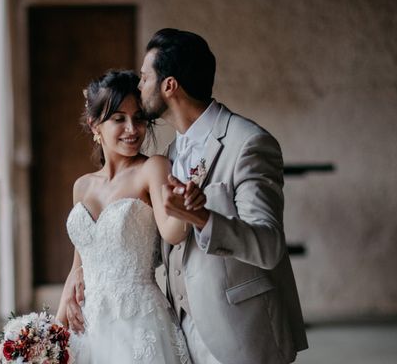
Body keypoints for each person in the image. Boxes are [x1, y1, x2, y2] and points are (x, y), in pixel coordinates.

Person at [66, 29, 309, 364]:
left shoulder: (247, 143)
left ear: (169, 86)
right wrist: (82, 271)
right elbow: (141, 246)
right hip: (175, 330)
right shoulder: (171, 152)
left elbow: (269, 246)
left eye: (145, 77)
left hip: (239, 331)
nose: (139, 86)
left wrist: (202, 217)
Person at [56, 70, 200, 363]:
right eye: (119, 118)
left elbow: (172, 231)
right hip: (89, 327)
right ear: (95, 125)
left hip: (138, 325)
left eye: (139, 118)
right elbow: (79, 265)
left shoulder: (153, 168)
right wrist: (54, 330)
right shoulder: (81, 186)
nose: (132, 128)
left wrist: (187, 208)